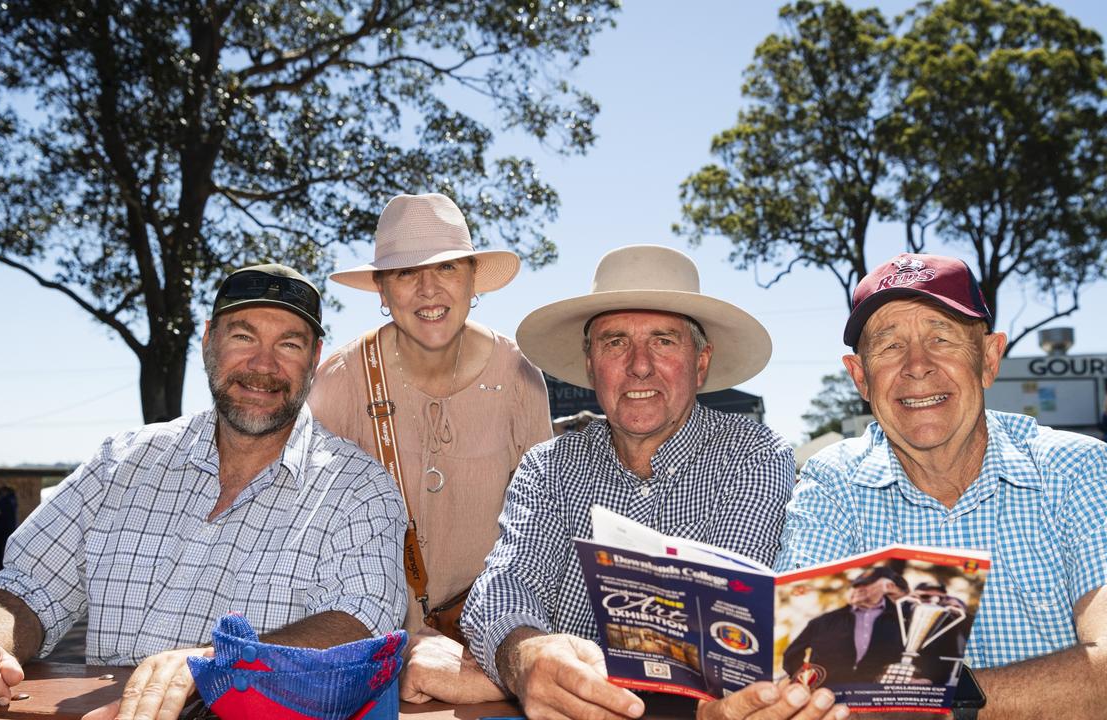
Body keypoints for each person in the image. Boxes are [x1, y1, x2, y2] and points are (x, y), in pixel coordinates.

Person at [0, 264, 408, 719]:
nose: (263, 365)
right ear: (208, 342)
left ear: (315, 359)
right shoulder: (120, 463)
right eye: (243, 336)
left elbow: (362, 625)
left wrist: (218, 665)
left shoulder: (358, 488)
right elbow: (26, 588)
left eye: (290, 345)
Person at [776, 253, 1107, 717]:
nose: (917, 366)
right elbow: (801, 671)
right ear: (860, 377)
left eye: (942, 338)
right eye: (888, 346)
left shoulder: (1078, 467)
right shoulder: (833, 481)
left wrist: (941, 705)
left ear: (988, 358)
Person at [459, 245, 845, 720]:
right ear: (589, 362)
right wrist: (525, 656)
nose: (639, 365)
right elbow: (506, 585)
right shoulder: (548, 466)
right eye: (615, 342)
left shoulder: (755, 454)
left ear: (701, 362)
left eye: (663, 340)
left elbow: (717, 630)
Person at [308, 192, 553, 704]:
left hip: (487, 643)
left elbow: (547, 527)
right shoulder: (339, 382)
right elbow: (306, 533)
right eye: (404, 273)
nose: (428, 289)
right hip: (370, 651)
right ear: (381, 287)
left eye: (446, 268)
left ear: (470, 278)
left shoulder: (519, 377)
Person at [781, 566, 954, 687]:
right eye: (856, 585)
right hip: (826, 698)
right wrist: (805, 680)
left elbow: (935, 657)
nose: (858, 588)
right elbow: (792, 654)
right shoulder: (823, 621)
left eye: (867, 583)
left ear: (888, 586)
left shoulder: (908, 620)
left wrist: (927, 680)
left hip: (882, 702)